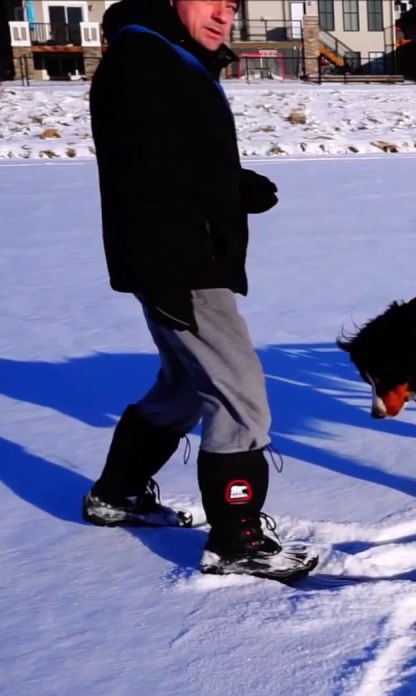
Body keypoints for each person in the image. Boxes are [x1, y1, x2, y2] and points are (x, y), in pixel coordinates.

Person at [82, 0, 318, 582]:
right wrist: (185, 243)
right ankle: (236, 540)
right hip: (180, 264)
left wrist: (228, 187)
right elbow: (145, 170)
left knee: (186, 384)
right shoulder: (146, 58)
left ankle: (118, 493)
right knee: (240, 396)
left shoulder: (165, 56)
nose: (223, 14)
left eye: (231, 5)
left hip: (179, 257)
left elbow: (167, 159)